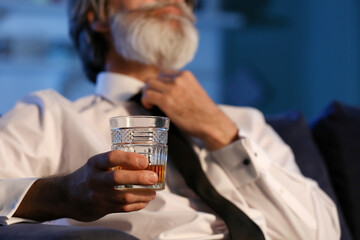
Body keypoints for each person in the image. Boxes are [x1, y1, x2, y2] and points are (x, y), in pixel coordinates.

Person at [0, 0, 340, 239]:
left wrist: (220, 131)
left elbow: (321, 232)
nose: (177, 2)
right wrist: (67, 194)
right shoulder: (50, 115)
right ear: (97, 15)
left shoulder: (245, 123)